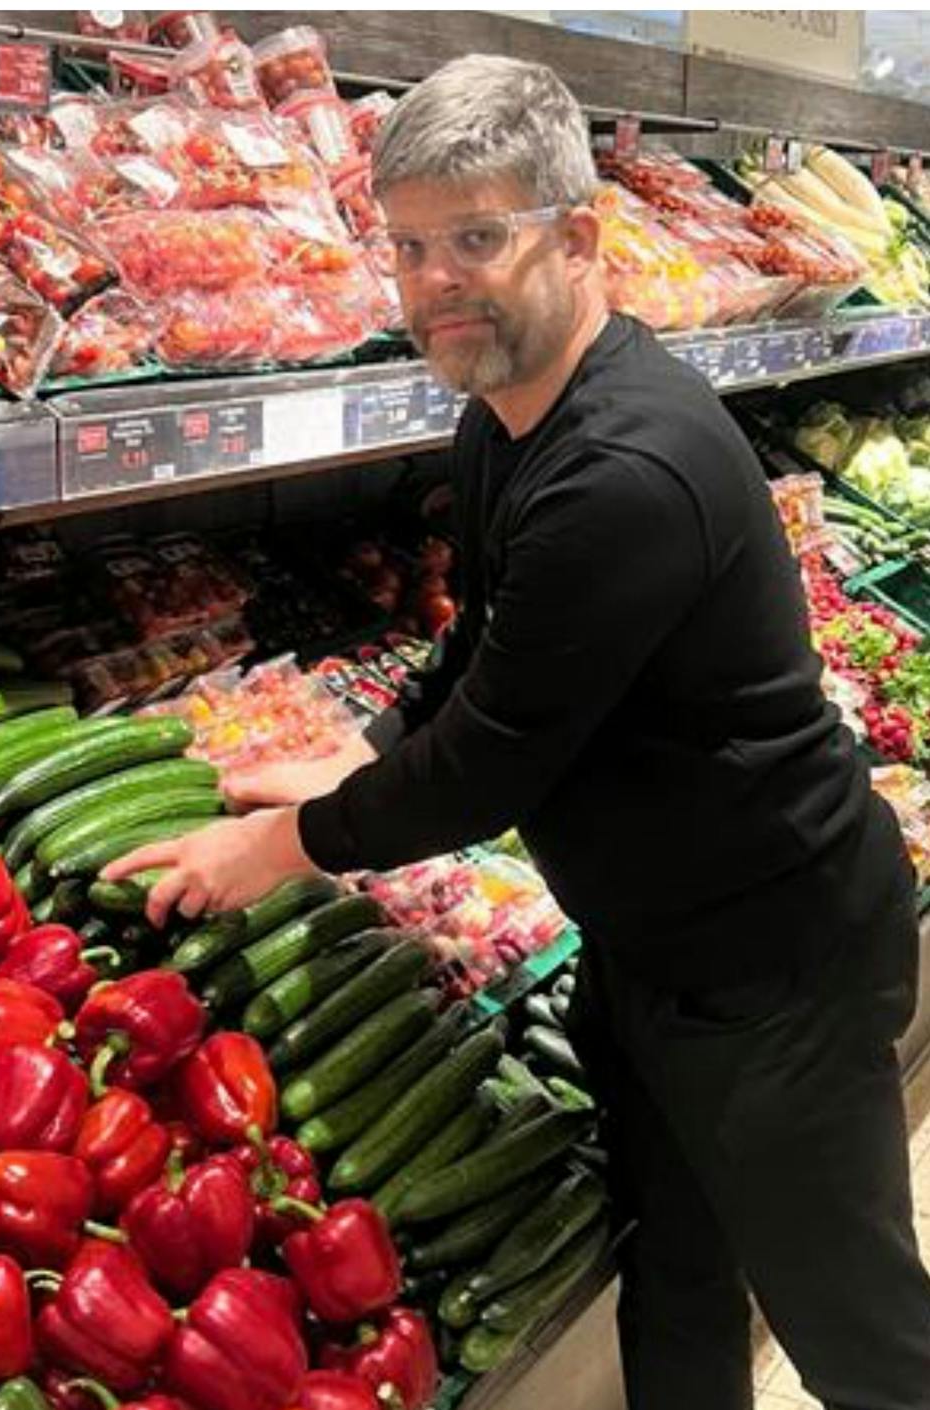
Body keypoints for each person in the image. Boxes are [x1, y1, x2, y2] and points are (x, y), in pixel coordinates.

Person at [105, 53, 930, 1410]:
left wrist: (286, 843)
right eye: (412, 245)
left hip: (777, 965)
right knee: (673, 1265)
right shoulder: (506, 416)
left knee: (857, 1329)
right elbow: (477, 657)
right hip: (656, 939)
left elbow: (491, 765)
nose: (436, 282)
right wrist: (363, 746)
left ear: (579, 236)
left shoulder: (623, 472)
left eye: (477, 238)